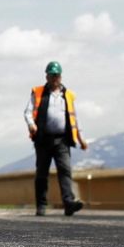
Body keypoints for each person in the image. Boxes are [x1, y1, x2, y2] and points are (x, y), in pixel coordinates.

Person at [24, 60, 88, 216]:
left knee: (65, 171)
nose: (54, 78)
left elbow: (74, 118)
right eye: (52, 75)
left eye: (57, 75)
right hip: (43, 139)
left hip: (62, 140)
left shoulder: (68, 95)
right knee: (42, 173)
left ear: (61, 76)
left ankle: (69, 203)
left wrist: (81, 139)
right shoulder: (38, 92)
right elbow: (27, 112)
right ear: (46, 76)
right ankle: (41, 205)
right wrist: (31, 124)